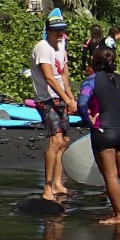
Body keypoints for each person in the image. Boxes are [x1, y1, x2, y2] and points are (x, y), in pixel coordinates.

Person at [77, 46, 120, 224]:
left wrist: (87, 121)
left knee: (109, 175)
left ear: (95, 61)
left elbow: (82, 102)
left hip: (103, 131)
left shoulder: (90, 81)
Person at [30, 12, 78, 200]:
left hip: (61, 98)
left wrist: (70, 95)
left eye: (62, 31)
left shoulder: (61, 45)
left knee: (64, 141)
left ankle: (58, 183)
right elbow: (49, 77)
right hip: (46, 99)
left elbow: (63, 74)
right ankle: (47, 186)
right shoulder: (42, 47)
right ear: (48, 30)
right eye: (56, 31)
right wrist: (66, 100)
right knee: (55, 141)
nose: (60, 34)